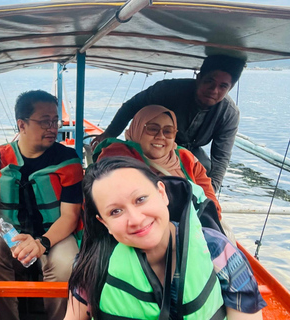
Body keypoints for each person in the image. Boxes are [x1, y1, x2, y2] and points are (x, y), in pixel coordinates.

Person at [65, 156, 266, 320]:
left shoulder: (218, 251)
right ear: (104, 223)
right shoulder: (90, 265)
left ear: (162, 193)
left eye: (141, 199)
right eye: (116, 211)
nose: (135, 219)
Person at [0, 90, 83, 320]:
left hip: (54, 233)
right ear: (22, 124)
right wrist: (6, 236)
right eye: (44, 121)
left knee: (65, 265)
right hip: (8, 233)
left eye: (54, 120)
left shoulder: (67, 160)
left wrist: (42, 244)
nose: (53, 127)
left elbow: (70, 216)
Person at [92, 54, 246, 192]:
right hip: (151, 145)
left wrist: (211, 193)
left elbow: (221, 157)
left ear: (229, 88)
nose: (214, 90)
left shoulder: (229, 114)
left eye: (223, 86)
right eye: (209, 82)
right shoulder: (167, 90)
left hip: (189, 151)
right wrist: (109, 134)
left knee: (203, 175)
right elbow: (130, 107)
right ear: (199, 78)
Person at [94, 104, 222, 218]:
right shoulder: (117, 156)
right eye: (153, 129)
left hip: (192, 230)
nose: (160, 136)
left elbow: (211, 204)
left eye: (168, 131)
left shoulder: (186, 159)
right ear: (137, 128)